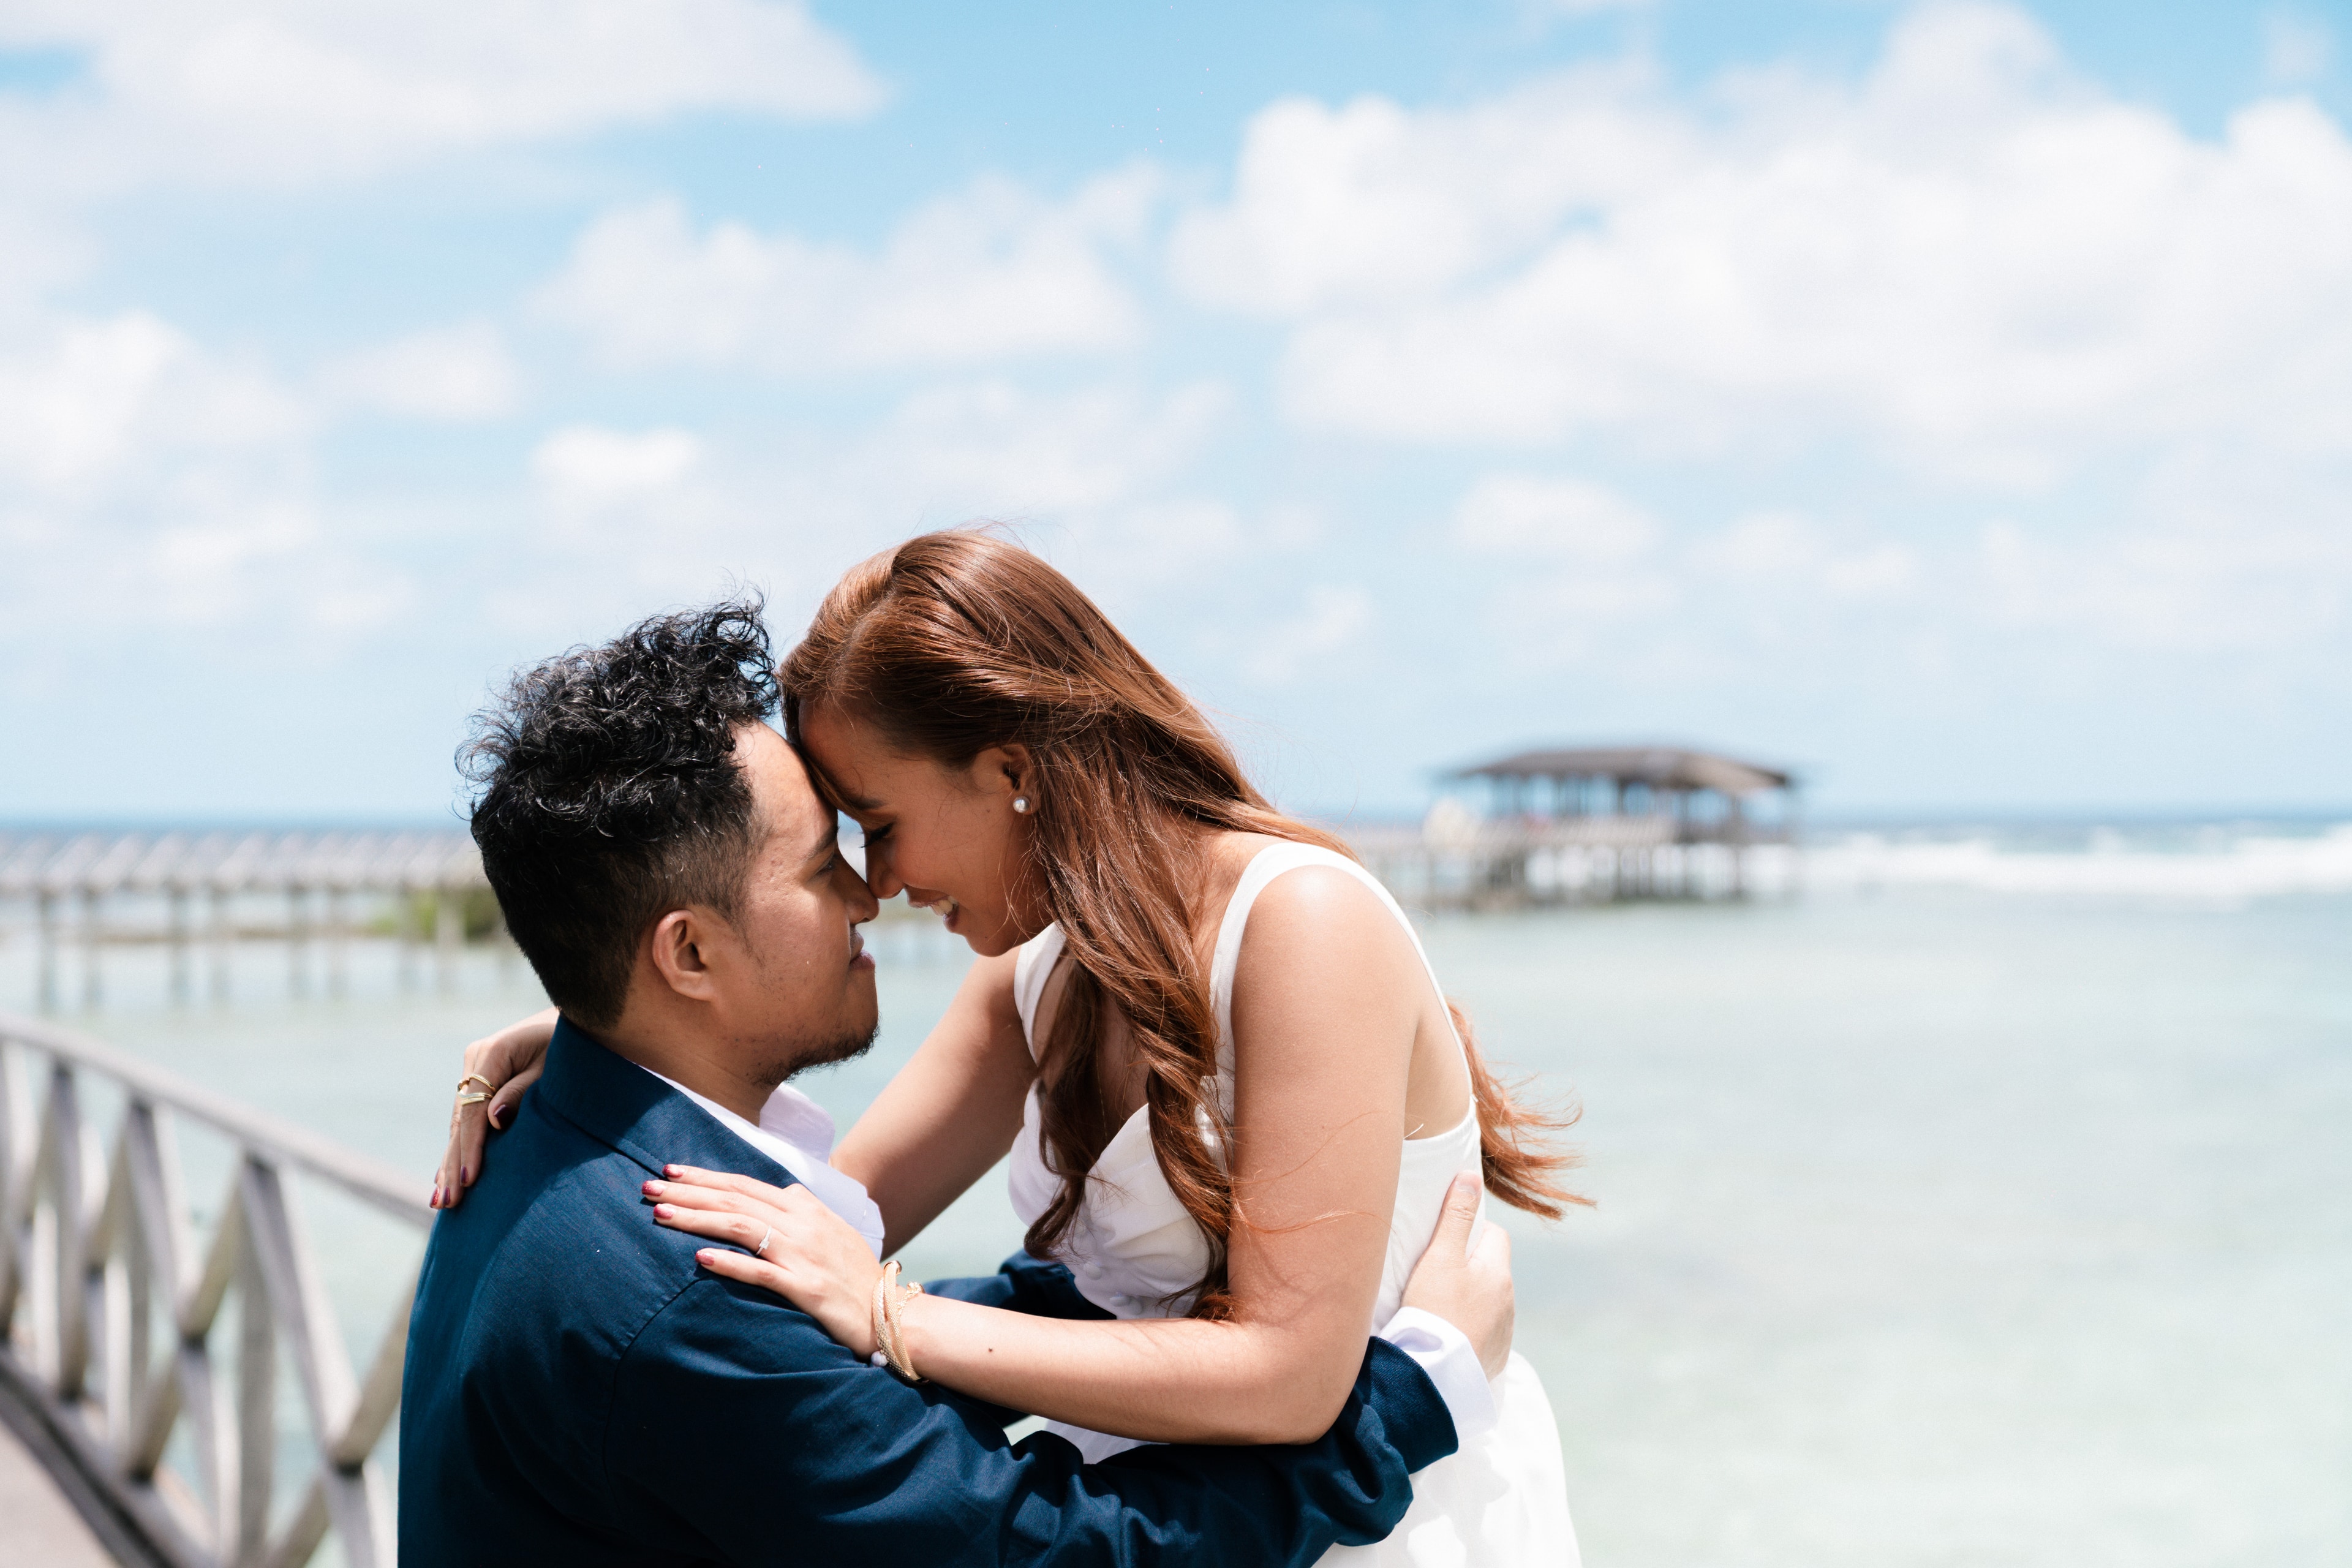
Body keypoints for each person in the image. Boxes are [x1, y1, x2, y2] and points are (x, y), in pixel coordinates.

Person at [442, 533, 1585, 1565]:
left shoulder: (1299, 926)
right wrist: (612, 1029)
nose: (876, 884)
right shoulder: (1034, 972)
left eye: (877, 825)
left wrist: (898, 1317)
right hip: (1177, 1518)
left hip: (1378, 1517)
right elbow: (826, 1228)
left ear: (1013, 771)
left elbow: (1292, 1377)